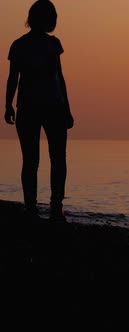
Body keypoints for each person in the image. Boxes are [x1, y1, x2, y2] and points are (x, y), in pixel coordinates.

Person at [4, 0, 74, 222]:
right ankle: (33, 206)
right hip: (30, 107)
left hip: (53, 107)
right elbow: (13, 78)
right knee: (34, 160)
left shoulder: (54, 44)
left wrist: (67, 108)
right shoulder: (19, 45)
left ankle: (55, 207)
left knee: (54, 158)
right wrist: (7, 105)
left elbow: (59, 78)